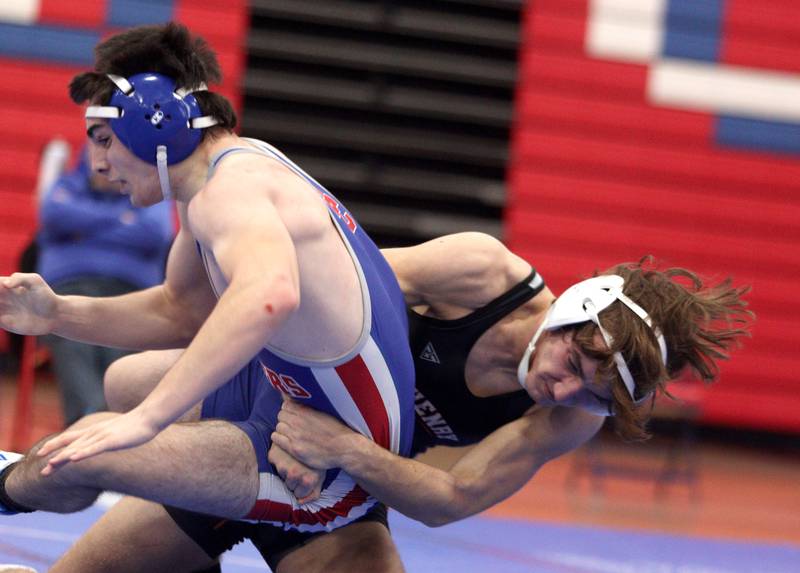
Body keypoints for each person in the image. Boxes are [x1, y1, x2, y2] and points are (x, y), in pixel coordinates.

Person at [49, 232, 752, 571]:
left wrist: (341, 447)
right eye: (576, 362)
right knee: (129, 388)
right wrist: (281, 415)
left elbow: (450, 495)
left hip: (343, 494)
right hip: (251, 426)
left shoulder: (564, 418)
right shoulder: (479, 273)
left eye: (591, 396)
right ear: (577, 309)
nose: (562, 388)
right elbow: (302, 292)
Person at [0, 22, 416, 573]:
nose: (98, 164)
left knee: (85, 450)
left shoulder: (230, 191)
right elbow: (180, 310)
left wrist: (146, 422)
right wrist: (56, 314)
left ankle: (5, 482)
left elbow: (270, 294)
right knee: (122, 382)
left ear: (157, 126)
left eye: (103, 139)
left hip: (321, 460)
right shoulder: (228, 173)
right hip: (278, 399)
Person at [37, 146, 173, 425]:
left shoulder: (149, 191)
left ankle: (108, 421)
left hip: (132, 293)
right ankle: (91, 420)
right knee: (64, 325)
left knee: (123, 345)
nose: (104, 168)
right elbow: (52, 213)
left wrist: (82, 226)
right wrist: (122, 221)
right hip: (69, 288)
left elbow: (155, 232)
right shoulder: (66, 184)